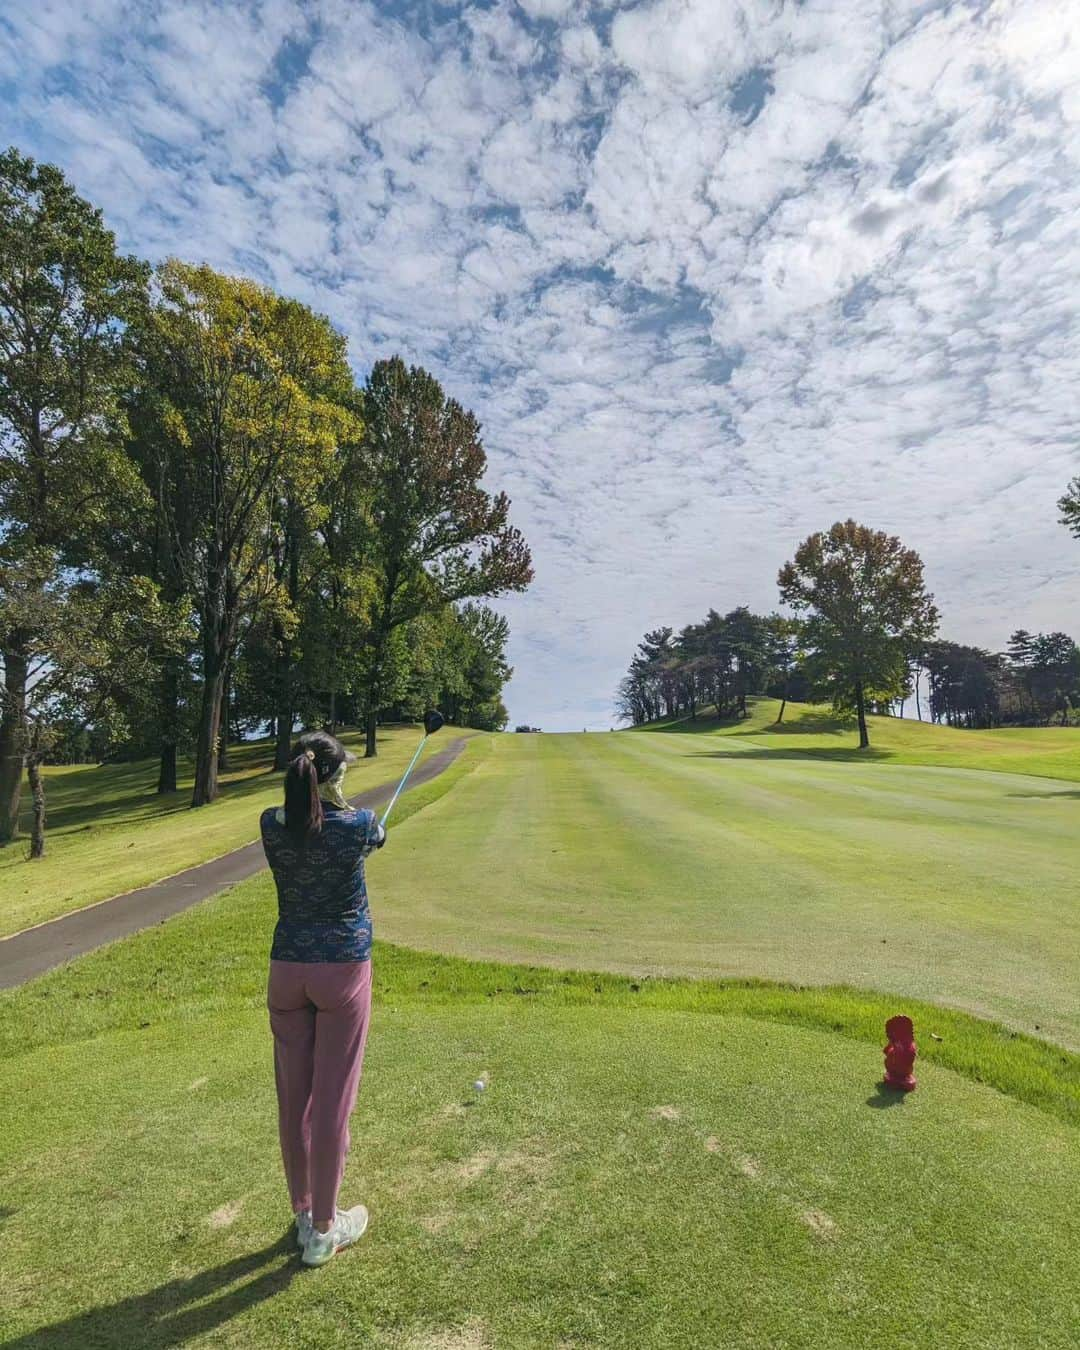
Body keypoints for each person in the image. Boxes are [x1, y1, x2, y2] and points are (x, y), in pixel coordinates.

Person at [260, 730, 386, 1267]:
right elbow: (372, 835)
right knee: (333, 1100)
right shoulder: (357, 825)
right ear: (335, 778)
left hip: (287, 970)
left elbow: (304, 821)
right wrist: (359, 815)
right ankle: (324, 1229)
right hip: (341, 969)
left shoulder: (269, 824)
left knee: (296, 1099)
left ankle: (302, 1211)